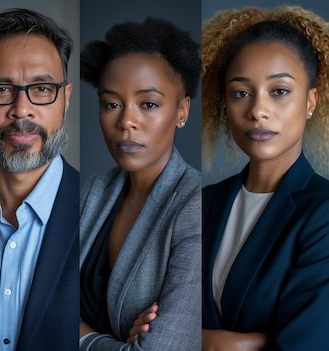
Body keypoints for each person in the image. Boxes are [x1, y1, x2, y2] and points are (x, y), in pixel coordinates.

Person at [201, 6, 329, 350]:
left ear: (310, 101)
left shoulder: (323, 212)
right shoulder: (203, 203)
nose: (257, 110)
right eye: (241, 93)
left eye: (280, 91)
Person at [0, 8, 79, 351]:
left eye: (41, 88)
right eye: (1, 89)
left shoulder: (105, 209)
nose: (22, 109)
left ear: (66, 99)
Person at [79, 18, 201, 350]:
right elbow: (38, 303)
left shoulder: (196, 207)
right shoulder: (90, 192)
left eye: (148, 104)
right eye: (112, 104)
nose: (126, 121)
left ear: (182, 110)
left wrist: (82, 335)